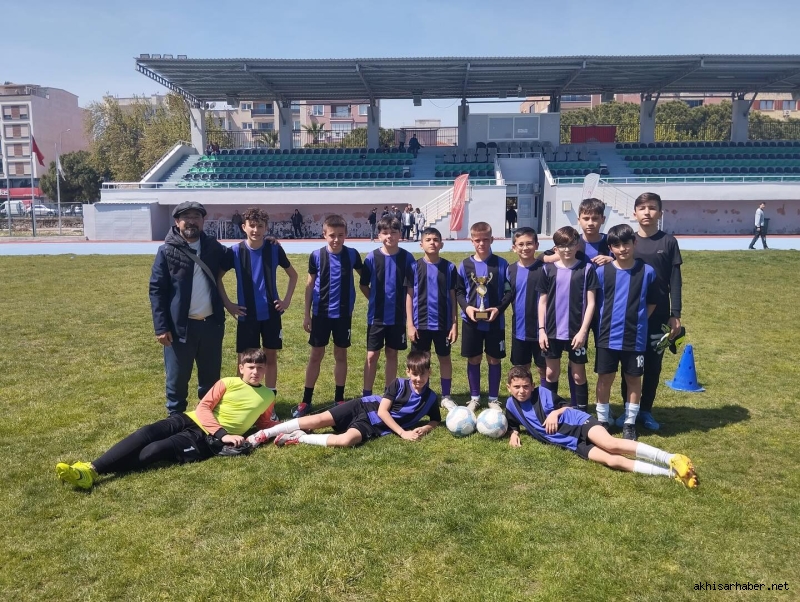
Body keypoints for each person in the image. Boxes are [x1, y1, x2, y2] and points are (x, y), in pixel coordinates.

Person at [56, 348, 278, 490]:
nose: (255, 372)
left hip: (204, 439)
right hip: (191, 419)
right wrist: (223, 434)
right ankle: (90, 469)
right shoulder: (227, 382)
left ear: (266, 369)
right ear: (241, 368)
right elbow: (203, 408)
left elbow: (264, 423)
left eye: (260, 368)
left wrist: (289, 429)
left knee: (156, 450)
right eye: (251, 367)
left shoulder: (268, 396)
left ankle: (91, 472)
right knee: (146, 433)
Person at [504, 366, 698, 488]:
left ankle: (671, 458)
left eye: (526, 386)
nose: (522, 391)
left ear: (533, 385)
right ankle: (673, 474)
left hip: (579, 423)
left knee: (611, 444)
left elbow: (568, 406)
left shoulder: (543, 393)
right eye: (517, 387)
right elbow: (512, 423)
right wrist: (514, 433)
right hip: (571, 442)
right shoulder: (511, 405)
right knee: (612, 460)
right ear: (508, 388)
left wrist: (555, 413)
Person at [247, 351, 439, 448]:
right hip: (363, 407)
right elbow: (382, 411)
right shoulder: (398, 384)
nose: (418, 379)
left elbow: (436, 420)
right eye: (414, 374)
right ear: (408, 372)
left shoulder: (431, 398)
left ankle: (299, 437)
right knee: (318, 420)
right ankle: (263, 434)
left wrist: (425, 428)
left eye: (423, 374)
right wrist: (403, 433)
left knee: (346, 441)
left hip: (373, 425)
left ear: (429, 372)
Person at [149, 201, 227, 415]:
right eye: (186, 217)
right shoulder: (166, 251)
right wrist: (161, 327)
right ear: (177, 222)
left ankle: (207, 422)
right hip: (179, 329)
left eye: (196, 217)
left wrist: (266, 243)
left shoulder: (213, 247)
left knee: (210, 383)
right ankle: (175, 423)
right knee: (177, 383)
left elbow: (238, 256)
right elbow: (156, 290)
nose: (192, 221)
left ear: (203, 221)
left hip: (211, 326)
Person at [615, 192, 683, 432]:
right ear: (634, 213)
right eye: (642, 208)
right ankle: (628, 410)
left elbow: (675, 280)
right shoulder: (627, 241)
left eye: (652, 208)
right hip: (630, 316)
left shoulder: (668, 242)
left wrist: (675, 313)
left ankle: (646, 410)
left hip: (660, 316)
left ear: (660, 213)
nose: (647, 212)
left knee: (653, 365)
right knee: (629, 366)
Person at [217, 207, 298, 397]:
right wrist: (228, 304)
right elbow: (217, 278)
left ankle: (270, 402)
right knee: (245, 360)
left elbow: (293, 275)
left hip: (271, 314)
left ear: (266, 227)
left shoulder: (274, 248)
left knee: (271, 357)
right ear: (243, 227)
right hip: (247, 315)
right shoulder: (235, 251)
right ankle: (242, 399)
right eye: (252, 225)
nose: (256, 230)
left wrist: (286, 301)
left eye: (260, 226)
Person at [296, 214, 363, 417]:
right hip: (321, 314)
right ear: (324, 234)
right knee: (316, 355)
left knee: (341, 355)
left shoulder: (352, 255)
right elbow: (309, 286)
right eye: (332, 235)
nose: (336, 239)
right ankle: (306, 400)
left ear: (346, 235)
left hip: (343, 315)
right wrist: (306, 314)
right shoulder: (316, 256)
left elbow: (366, 277)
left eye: (340, 235)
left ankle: (339, 398)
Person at [596, 224, 658, 441]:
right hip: (607, 336)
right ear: (610, 248)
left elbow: (652, 302)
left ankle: (630, 423)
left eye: (626, 243)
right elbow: (594, 302)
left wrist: (638, 321)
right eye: (616, 245)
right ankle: (602, 420)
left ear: (634, 243)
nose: (622, 248)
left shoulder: (647, 272)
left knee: (633, 379)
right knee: (605, 378)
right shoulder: (602, 272)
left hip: (635, 337)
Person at [536, 226, 599, 414]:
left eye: (571, 245)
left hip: (576, 332)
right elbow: (542, 302)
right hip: (552, 331)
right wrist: (541, 330)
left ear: (577, 245)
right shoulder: (548, 269)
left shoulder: (587, 269)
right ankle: (550, 411)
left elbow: (591, 303)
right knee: (551, 373)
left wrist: (583, 331)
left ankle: (582, 413)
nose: (567, 249)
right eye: (562, 246)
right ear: (555, 248)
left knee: (578, 375)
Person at [456, 221, 513, 412]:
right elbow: (459, 292)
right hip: (471, 321)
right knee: (474, 358)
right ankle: (474, 397)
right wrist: (467, 308)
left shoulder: (501, 264)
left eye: (485, 240)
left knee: (494, 359)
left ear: (492, 239)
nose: (481, 243)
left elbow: (509, 292)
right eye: (477, 240)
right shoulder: (465, 265)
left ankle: (494, 398)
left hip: (495, 321)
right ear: (472, 241)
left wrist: (499, 309)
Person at [360, 216, 415, 397]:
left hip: (398, 316)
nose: (389, 236)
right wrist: (374, 300)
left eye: (393, 232)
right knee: (372, 355)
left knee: (392, 353)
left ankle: (388, 394)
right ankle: (367, 394)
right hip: (376, 316)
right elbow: (363, 285)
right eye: (385, 233)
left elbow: (411, 287)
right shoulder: (372, 257)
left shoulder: (407, 258)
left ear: (400, 234)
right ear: (379, 235)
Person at [406, 227, 458, 410]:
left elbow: (453, 297)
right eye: (428, 240)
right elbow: (409, 296)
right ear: (421, 245)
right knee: (420, 360)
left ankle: (446, 396)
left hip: (443, 324)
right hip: (420, 323)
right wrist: (410, 324)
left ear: (441, 244)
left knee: (445, 358)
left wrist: (454, 324)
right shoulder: (413, 267)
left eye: (436, 240)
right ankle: (420, 394)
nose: (432, 243)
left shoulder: (449, 268)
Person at [507, 227, 546, 384]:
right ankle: (523, 396)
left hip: (542, 330)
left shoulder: (545, 268)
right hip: (520, 329)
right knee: (521, 369)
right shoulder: (510, 270)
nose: (525, 248)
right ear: (514, 247)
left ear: (537, 245)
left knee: (544, 369)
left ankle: (545, 396)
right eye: (521, 244)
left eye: (529, 243)